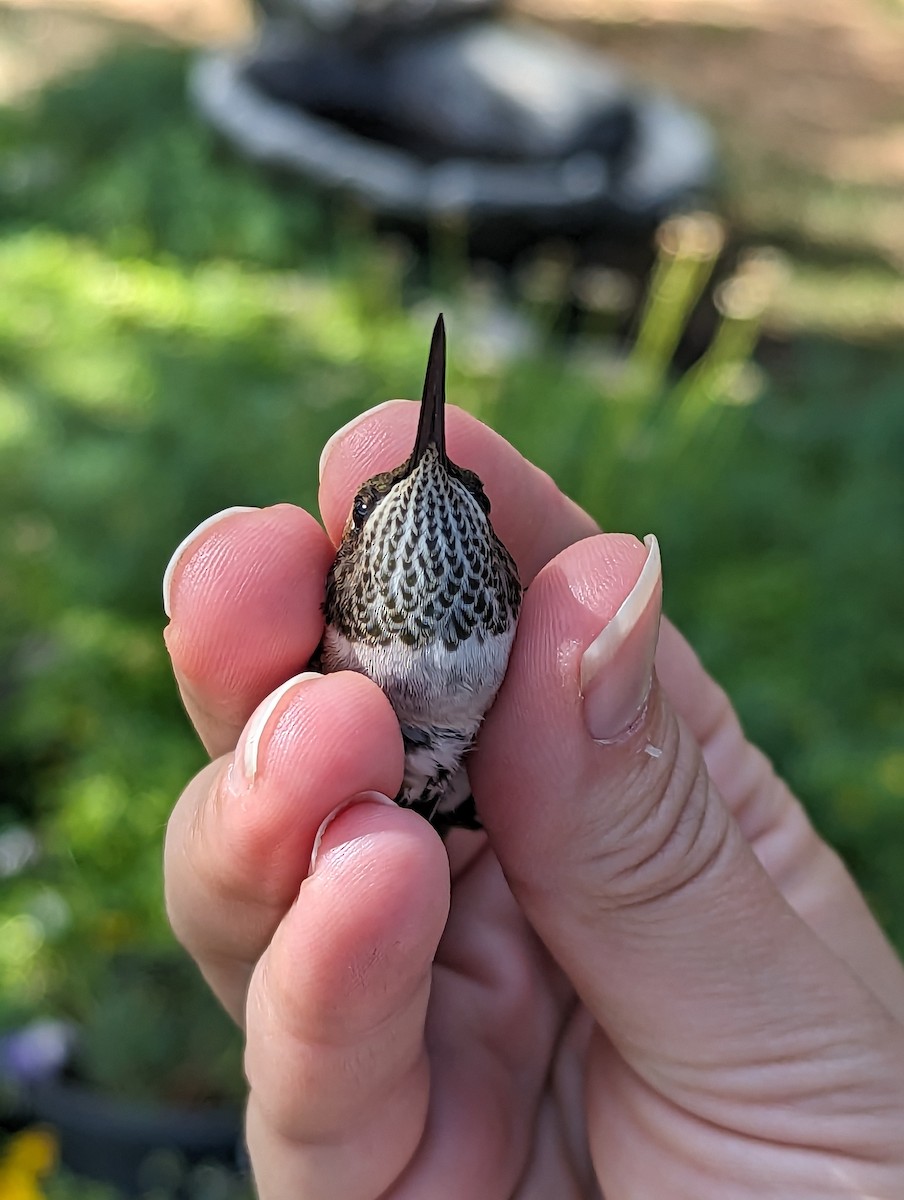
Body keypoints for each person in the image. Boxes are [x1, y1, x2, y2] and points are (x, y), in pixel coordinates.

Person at [162, 400, 904, 1198]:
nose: (428, 481)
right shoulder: (349, 599)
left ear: (485, 526)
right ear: (356, 541)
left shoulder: (503, 590)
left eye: (469, 497)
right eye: (373, 504)